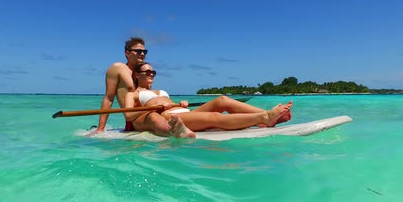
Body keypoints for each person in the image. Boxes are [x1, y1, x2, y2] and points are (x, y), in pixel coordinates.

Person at [124, 62, 293, 136]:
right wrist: (154, 108)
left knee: (222, 100)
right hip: (169, 118)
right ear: (137, 75)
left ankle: (267, 116)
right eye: (148, 72)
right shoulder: (133, 94)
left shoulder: (160, 90)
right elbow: (129, 116)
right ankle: (265, 117)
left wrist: (181, 103)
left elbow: (170, 104)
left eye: (153, 72)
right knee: (215, 118)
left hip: (185, 112)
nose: (151, 74)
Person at [88, 37, 171, 137]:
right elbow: (109, 98)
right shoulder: (118, 68)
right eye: (138, 51)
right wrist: (100, 128)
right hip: (134, 120)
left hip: (150, 115)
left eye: (145, 51)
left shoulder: (145, 73)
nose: (142, 54)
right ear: (127, 54)